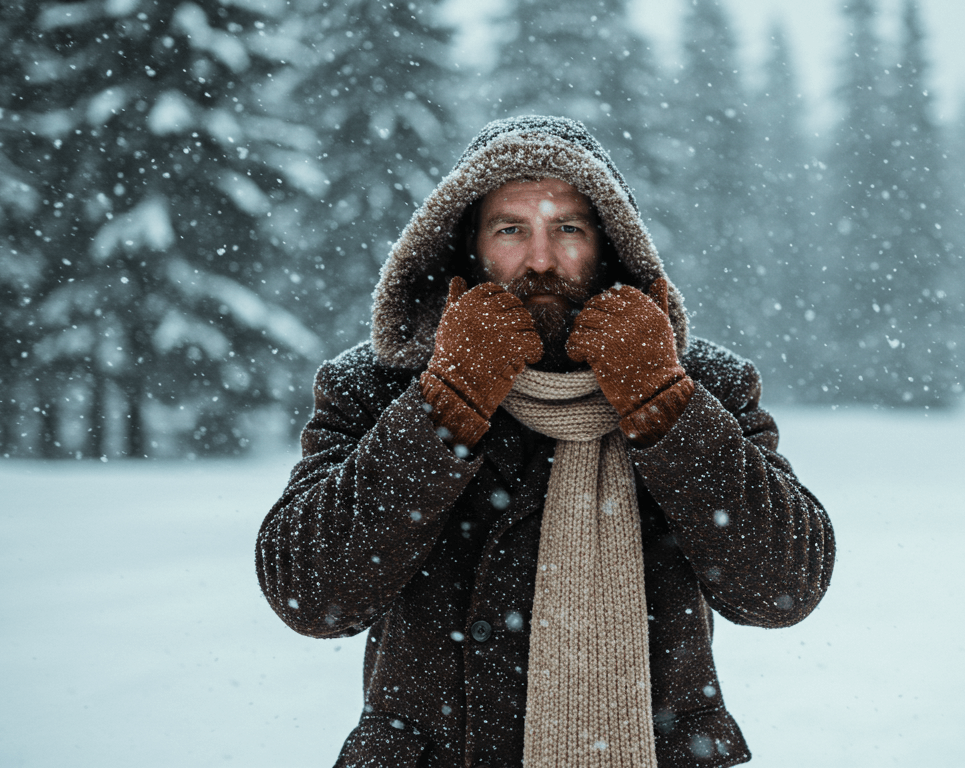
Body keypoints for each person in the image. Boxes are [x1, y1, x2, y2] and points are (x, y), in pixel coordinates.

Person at [256, 115, 835, 768]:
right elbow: (311, 595)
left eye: (568, 229)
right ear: (466, 247)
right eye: (510, 230)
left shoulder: (703, 385)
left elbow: (783, 588)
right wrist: (445, 404)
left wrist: (663, 403)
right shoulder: (377, 386)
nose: (540, 260)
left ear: (611, 245)